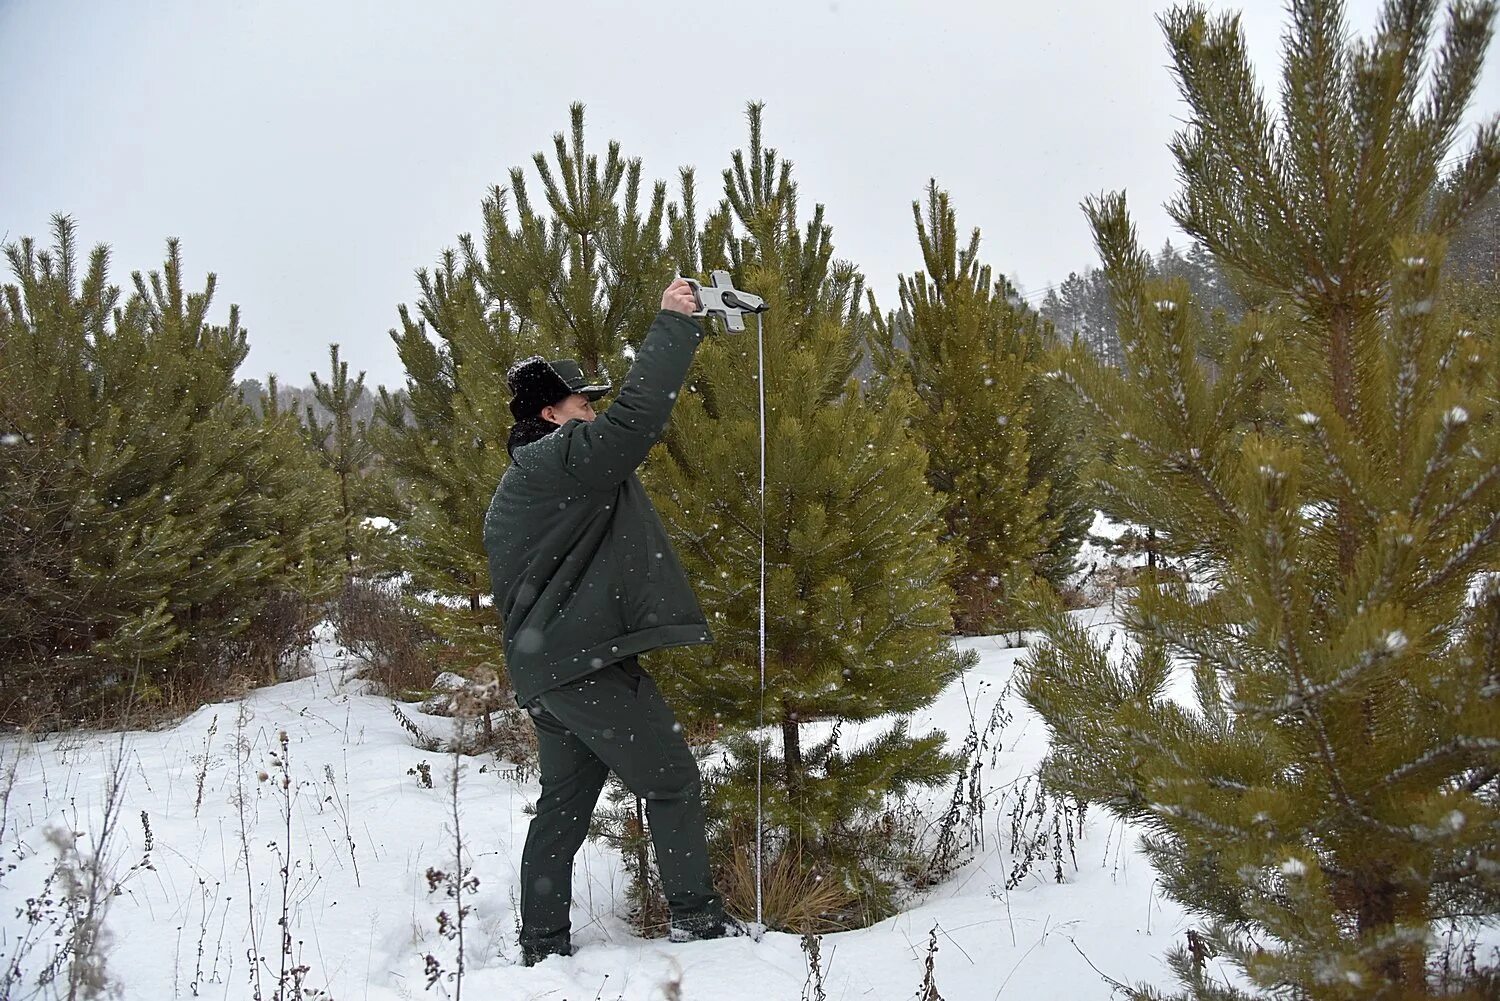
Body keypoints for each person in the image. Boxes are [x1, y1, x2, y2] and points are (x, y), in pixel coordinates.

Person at [483, 278, 747, 967]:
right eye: (581, 403)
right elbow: (636, 421)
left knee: (562, 812)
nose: (593, 413)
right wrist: (674, 324)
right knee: (673, 781)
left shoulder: (535, 474)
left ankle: (542, 947)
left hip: (554, 672)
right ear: (550, 412)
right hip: (583, 666)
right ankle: (697, 920)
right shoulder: (557, 459)